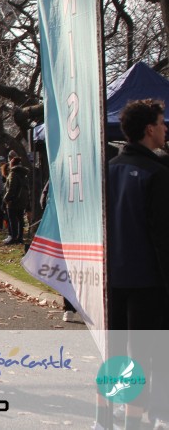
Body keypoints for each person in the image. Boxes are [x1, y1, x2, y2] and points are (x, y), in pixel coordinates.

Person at [100, 99, 169, 430]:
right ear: (149, 129)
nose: (165, 128)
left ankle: (109, 414)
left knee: (115, 351)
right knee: (147, 353)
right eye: (162, 122)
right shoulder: (157, 174)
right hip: (148, 279)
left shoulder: (108, 170)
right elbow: (162, 236)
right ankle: (139, 419)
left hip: (111, 276)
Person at [2, 157, 29, 245]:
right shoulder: (24, 174)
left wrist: (6, 198)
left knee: (12, 220)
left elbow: (11, 188)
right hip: (22, 199)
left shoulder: (13, 174)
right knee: (20, 219)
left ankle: (13, 237)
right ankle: (20, 237)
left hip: (13, 200)